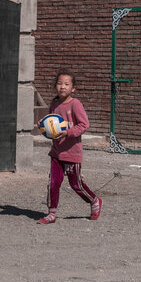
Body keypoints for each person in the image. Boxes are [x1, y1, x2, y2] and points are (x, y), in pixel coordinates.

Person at [33, 70, 101, 224]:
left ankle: (94, 201)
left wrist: (68, 133)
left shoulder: (75, 104)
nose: (62, 87)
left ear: (73, 88)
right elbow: (51, 123)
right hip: (56, 153)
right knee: (53, 183)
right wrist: (42, 126)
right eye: (59, 83)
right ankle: (51, 213)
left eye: (66, 84)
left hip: (72, 153)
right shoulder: (54, 103)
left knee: (76, 184)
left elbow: (84, 124)